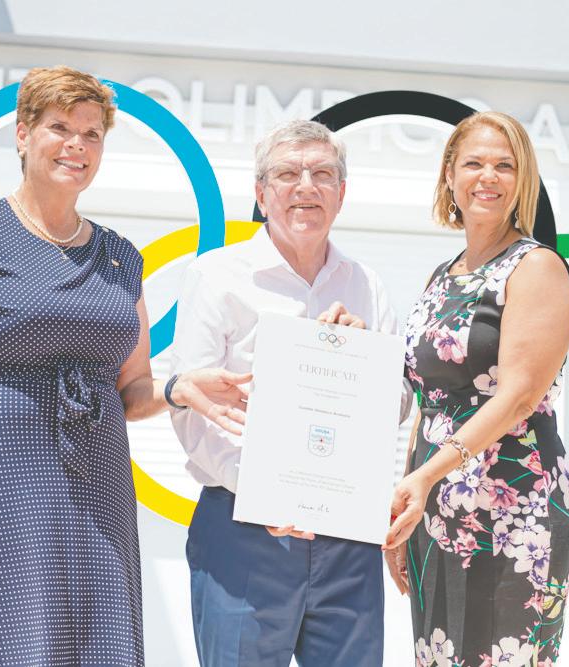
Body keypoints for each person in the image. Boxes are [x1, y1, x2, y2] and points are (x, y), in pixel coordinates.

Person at [0, 66, 249, 667]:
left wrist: (178, 388)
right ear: (23, 135)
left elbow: (131, 390)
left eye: (92, 134)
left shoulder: (120, 258)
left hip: (93, 500)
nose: (77, 145)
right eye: (60, 128)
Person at [169, 119, 404, 667]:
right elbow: (193, 413)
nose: (305, 187)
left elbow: (397, 406)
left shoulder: (366, 285)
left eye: (322, 174)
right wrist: (263, 491)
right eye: (287, 174)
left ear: (341, 193)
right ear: (261, 193)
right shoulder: (218, 275)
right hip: (243, 527)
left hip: (347, 537)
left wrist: (363, 361)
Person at [383, 111, 569, 667]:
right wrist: (410, 498)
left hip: (515, 503)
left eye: (504, 166)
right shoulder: (442, 276)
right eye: (473, 163)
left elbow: (518, 396)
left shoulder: (536, 267)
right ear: (450, 175)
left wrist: (426, 476)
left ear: (523, 180)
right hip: (437, 506)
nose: (487, 177)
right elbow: (428, 401)